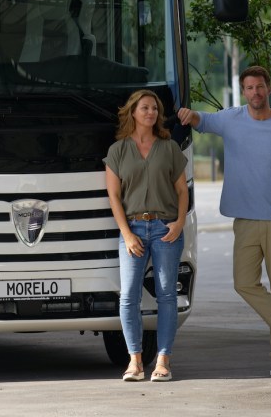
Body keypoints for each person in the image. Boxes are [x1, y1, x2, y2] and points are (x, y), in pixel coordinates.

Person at [178, 65, 271, 377]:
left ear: (268, 89)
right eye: (249, 88)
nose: (255, 93)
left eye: (260, 87)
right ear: (243, 91)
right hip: (244, 220)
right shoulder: (231, 119)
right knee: (244, 282)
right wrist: (185, 114)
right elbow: (201, 120)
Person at [105, 90, 188, 382]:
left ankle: (163, 360)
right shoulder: (117, 151)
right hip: (134, 230)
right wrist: (126, 234)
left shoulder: (169, 148)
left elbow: (181, 191)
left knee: (166, 295)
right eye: (145, 108)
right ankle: (135, 361)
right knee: (128, 296)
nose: (151, 112)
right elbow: (114, 197)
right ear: (133, 112)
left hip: (166, 229)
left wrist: (179, 224)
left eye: (155, 108)